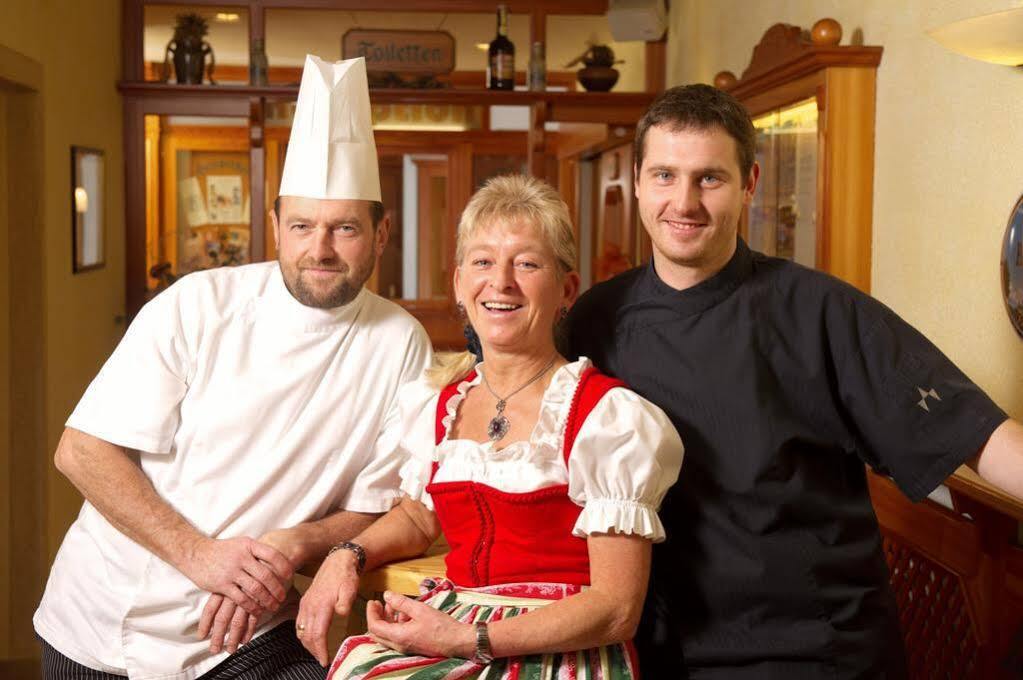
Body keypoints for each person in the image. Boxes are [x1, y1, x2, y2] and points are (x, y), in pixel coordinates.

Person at [567, 83, 1023, 679]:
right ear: (636, 180)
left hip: (810, 651)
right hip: (652, 647)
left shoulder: (821, 311)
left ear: (750, 183)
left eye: (710, 178)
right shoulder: (596, 319)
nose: (684, 201)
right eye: (664, 176)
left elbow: (977, 435)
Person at [33, 55, 431, 680]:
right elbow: (81, 451)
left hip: (256, 629)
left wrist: (296, 545)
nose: (319, 249)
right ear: (274, 226)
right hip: (108, 625)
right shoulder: (198, 305)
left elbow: (385, 503)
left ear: (381, 235)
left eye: (344, 228)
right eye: (302, 225)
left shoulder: (401, 342)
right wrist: (202, 556)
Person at [294, 174, 684, 678]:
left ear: (566, 289)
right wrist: (346, 554)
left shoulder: (608, 418)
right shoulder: (439, 404)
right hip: (451, 629)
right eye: (482, 261)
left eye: (526, 263)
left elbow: (615, 609)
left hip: (557, 650)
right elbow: (419, 518)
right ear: (459, 284)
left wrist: (466, 638)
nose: (500, 282)